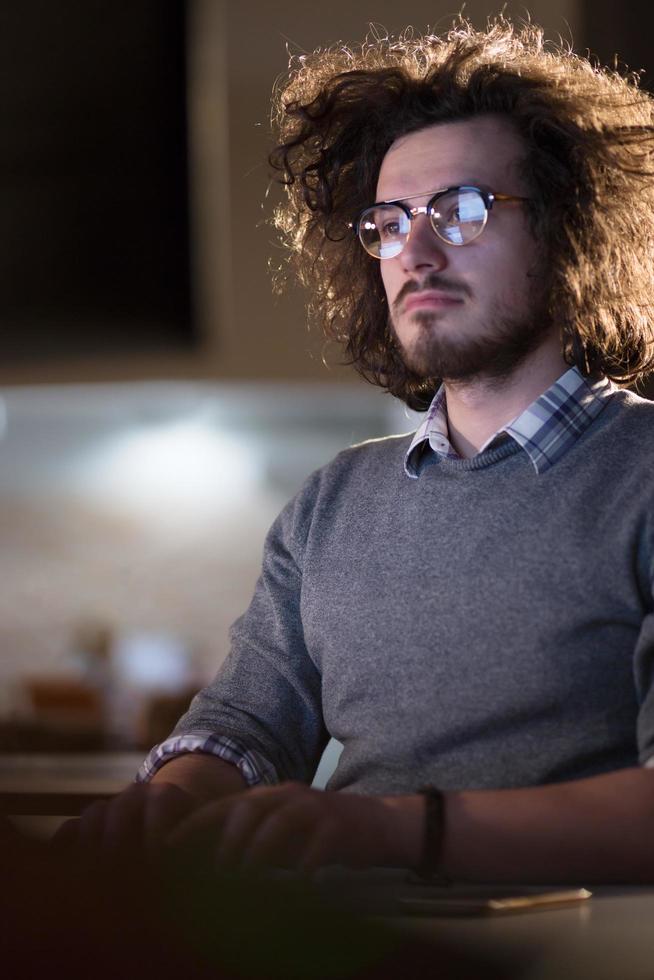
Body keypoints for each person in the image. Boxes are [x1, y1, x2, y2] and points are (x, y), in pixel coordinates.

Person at [67, 20, 654, 882]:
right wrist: (173, 801)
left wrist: (390, 833)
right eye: (388, 222)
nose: (413, 254)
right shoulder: (334, 499)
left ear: (570, 232)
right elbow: (246, 726)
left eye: (460, 211)